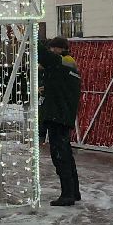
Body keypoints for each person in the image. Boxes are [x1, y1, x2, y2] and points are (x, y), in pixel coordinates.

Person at [37, 37, 81, 207]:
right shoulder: (70, 67)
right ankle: (74, 191)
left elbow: (40, 52)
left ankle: (67, 194)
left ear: (58, 49)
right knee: (67, 155)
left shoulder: (60, 63)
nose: (51, 52)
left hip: (58, 116)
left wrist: (29, 32)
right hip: (63, 116)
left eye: (52, 49)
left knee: (60, 155)